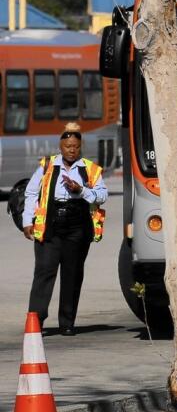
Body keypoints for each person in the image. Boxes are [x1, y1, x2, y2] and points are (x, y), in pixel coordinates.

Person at [22, 122, 107, 336]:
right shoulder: (47, 165)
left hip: (78, 227)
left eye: (76, 146)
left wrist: (82, 191)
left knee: (72, 274)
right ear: (61, 146)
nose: (72, 150)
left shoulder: (90, 169)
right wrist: (27, 220)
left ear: (80, 147)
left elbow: (102, 196)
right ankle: (36, 320)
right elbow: (31, 193)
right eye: (68, 146)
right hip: (51, 225)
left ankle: (67, 323)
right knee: (44, 272)